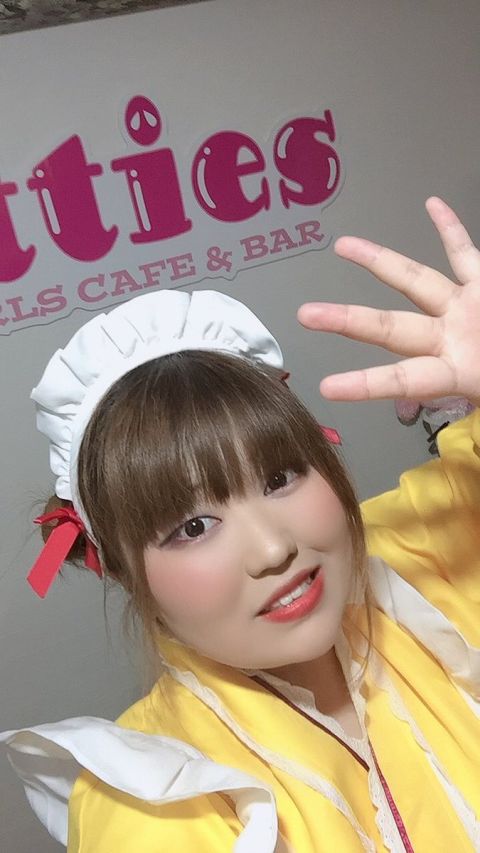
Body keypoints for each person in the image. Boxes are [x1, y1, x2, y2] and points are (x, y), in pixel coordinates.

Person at [1, 197, 479, 852]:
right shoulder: (155, 805)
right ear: (120, 567)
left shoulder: (424, 554)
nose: (274, 547)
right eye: (193, 526)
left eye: (280, 477)